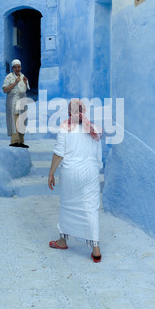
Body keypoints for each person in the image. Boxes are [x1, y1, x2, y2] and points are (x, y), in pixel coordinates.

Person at [48, 99, 103, 263]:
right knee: (91, 208)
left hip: (71, 172)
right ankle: (96, 249)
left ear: (69, 112)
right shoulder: (94, 128)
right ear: (84, 111)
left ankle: (62, 240)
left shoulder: (65, 127)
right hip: (92, 172)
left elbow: (59, 153)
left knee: (68, 205)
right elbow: (99, 157)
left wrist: (51, 173)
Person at [2, 59, 30, 148]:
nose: (17, 69)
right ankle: (14, 141)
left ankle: (21, 141)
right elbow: (5, 90)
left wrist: (25, 82)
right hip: (13, 102)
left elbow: (25, 90)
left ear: (21, 67)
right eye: (15, 67)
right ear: (13, 68)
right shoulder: (9, 77)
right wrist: (15, 83)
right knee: (14, 120)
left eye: (19, 67)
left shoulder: (23, 77)